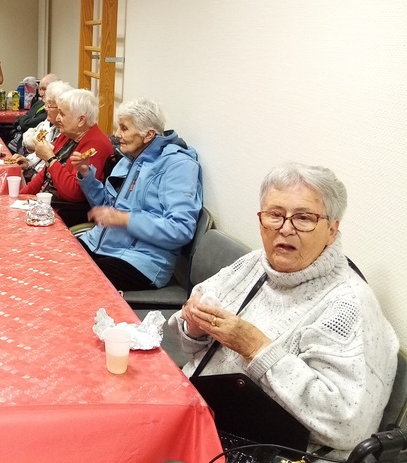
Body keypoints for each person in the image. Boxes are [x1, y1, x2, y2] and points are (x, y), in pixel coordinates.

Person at [170, 163, 398, 457]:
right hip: (201, 411)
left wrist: (256, 347)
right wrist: (194, 328)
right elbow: (187, 341)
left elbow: (347, 425)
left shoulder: (348, 304)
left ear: (331, 230)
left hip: (269, 449)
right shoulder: (253, 264)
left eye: (304, 218)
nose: (285, 229)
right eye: (275, 215)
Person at [76, 98, 203, 290]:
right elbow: (107, 209)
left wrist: (125, 219)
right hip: (103, 244)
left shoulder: (179, 166)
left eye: (124, 128)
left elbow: (180, 229)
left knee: (73, 279)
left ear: (148, 135)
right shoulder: (129, 159)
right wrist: (86, 175)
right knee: (56, 259)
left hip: (141, 260)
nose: (117, 135)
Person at [20, 89, 112, 226]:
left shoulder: (97, 144)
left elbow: (74, 194)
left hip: (65, 213)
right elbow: (45, 174)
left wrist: (50, 159)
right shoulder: (68, 134)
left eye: (62, 114)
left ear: (81, 120)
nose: (57, 119)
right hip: (44, 204)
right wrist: (21, 196)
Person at [18, 80, 73, 181]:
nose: (45, 108)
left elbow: (49, 166)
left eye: (49, 105)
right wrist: (27, 162)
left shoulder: (68, 134)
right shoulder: (52, 126)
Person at [4, 73, 57, 151]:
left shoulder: (51, 110)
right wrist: (23, 120)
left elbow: (26, 124)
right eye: (40, 89)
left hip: (25, 146)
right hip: (18, 141)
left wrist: (23, 120)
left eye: (44, 89)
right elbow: (20, 119)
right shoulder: (39, 103)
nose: (40, 93)